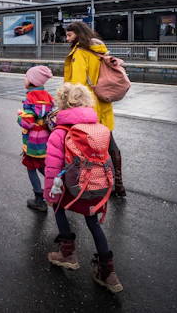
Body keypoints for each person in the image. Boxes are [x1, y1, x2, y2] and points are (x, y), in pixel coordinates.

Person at [43, 83, 123, 293]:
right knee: (93, 223)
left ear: (61, 104)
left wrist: (50, 194)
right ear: (87, 102)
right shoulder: (97, 129)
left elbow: (52, 168)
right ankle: (109, 273)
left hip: (71, 186)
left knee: (58, 207)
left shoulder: (59, 133)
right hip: (94, 187)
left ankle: (67, 253)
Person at [64, 21, 126, 197]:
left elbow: (77, 85)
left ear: (78, 34)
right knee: (110, 142)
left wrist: (69, 107)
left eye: (70, 35)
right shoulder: (99, 50)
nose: (67, 39)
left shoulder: (80, 53)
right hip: (104, 103)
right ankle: (119, 184)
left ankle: (90, 183)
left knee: (85, 147)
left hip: (88, 107)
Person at [17, 65, 55, 212]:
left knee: (32, 167)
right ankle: (60, 185)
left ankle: (40, 199)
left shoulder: (29, 98)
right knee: (42, 166)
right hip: (46, 140)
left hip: (33, 142)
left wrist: (20, 115)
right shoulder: (48, 97)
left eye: (26, 77)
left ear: (32, 81)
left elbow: (27, 123)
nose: (25, 79)